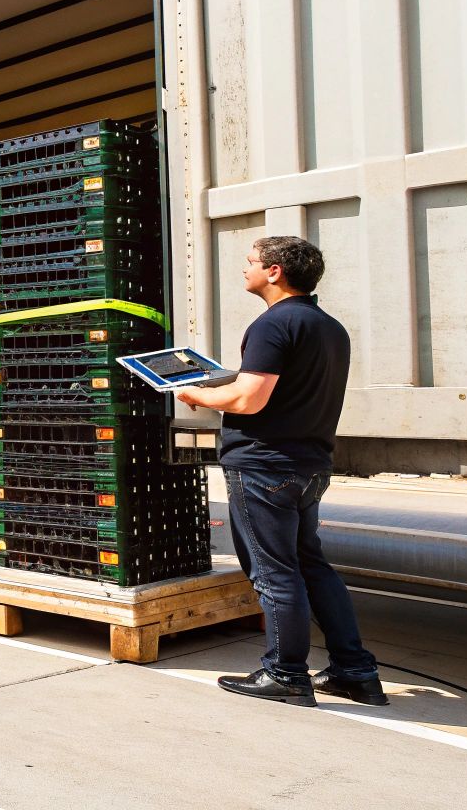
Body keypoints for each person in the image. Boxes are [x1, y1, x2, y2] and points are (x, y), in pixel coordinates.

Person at [177, 236, 384, 708]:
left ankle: (286, 674)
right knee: (312, 566)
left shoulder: (273, 325)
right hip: (309, 465)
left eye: (251, 262)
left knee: (274, 574)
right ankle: (356, 671)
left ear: (274, 272)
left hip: (264, 465)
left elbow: (250, 400)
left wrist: (196, 395)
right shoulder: (329, 327)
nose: (244, 269)